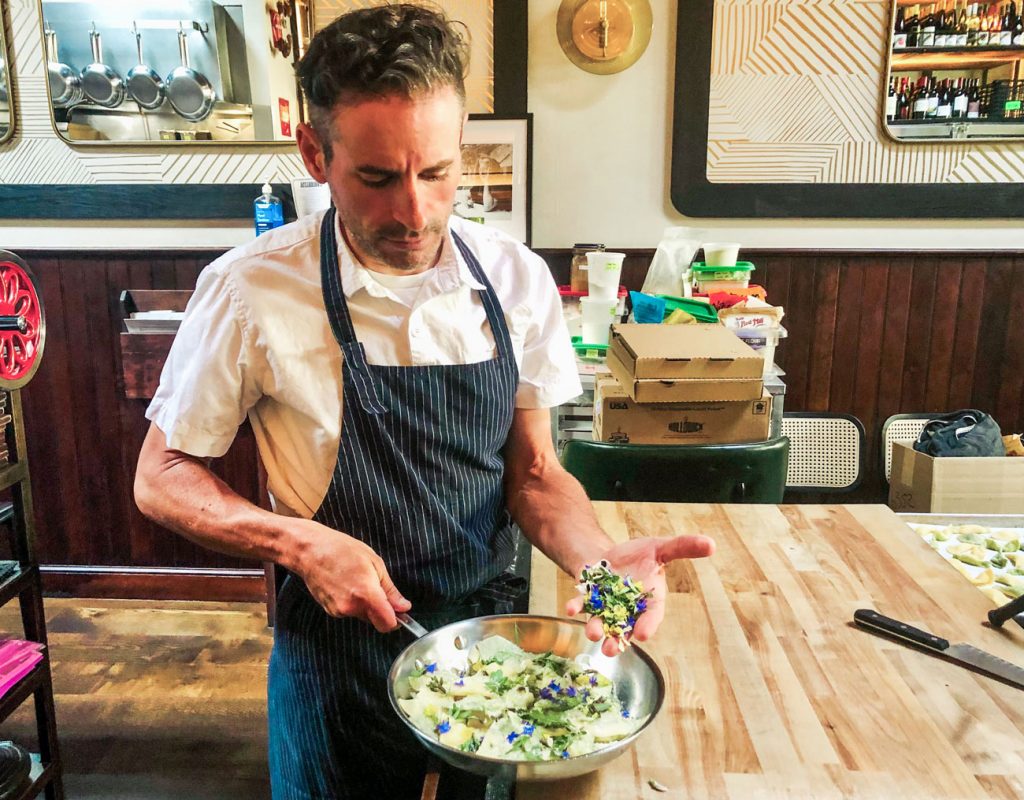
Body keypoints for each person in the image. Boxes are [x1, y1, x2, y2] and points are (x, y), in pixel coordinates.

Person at [133, 5, 715, 798]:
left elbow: (535, 474)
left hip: (487, 640)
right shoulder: (250, 290)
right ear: (315, 153)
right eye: (377, 178)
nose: (414, 212)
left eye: (437, 172)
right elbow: (161, 475)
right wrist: (299, 545)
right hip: (337, 651)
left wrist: (598, 563)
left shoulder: (514, 279)